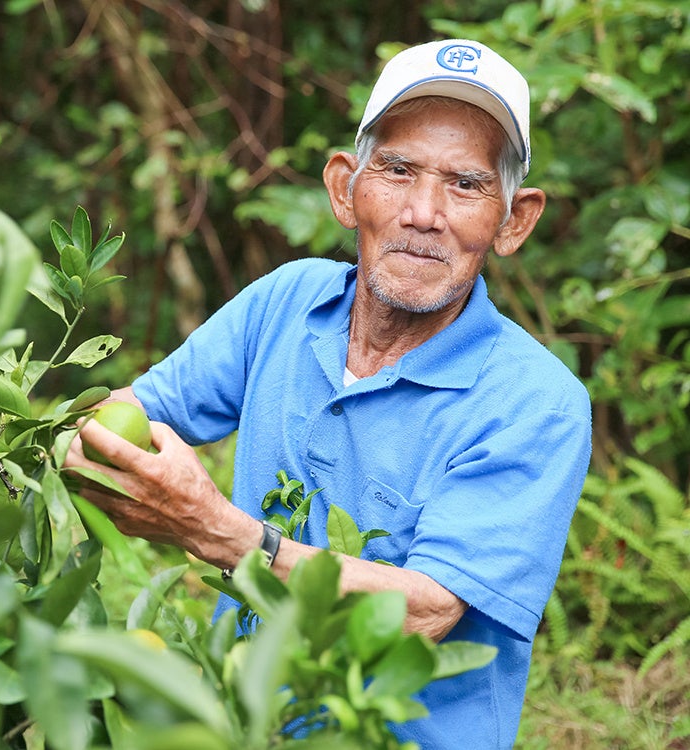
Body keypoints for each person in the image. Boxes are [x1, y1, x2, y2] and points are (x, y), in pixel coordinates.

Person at [65, 38, 592, 749]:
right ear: (346, 188)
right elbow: (133, 415)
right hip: (242, 729)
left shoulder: (536, 402)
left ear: (514, 220)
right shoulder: (286, 301)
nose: (424, 213)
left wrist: (220, 531)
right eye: (398, 170)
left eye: (465, 185)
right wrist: (79, 447)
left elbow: (425, 612)